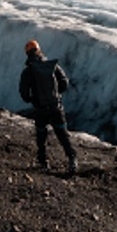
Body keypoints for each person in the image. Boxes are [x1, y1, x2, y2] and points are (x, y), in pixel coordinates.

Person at [19, 39, 77, 174]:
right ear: (39, 50)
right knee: (62, 134)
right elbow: (64, 83)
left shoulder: (28, 71)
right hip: (56, 106)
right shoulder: (52, 66)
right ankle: (72, 159)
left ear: (27, 54)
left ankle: (43, 161)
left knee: (41, 134)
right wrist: (56, 95)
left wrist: (33, 100)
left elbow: (24, 93)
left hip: (40, 109)